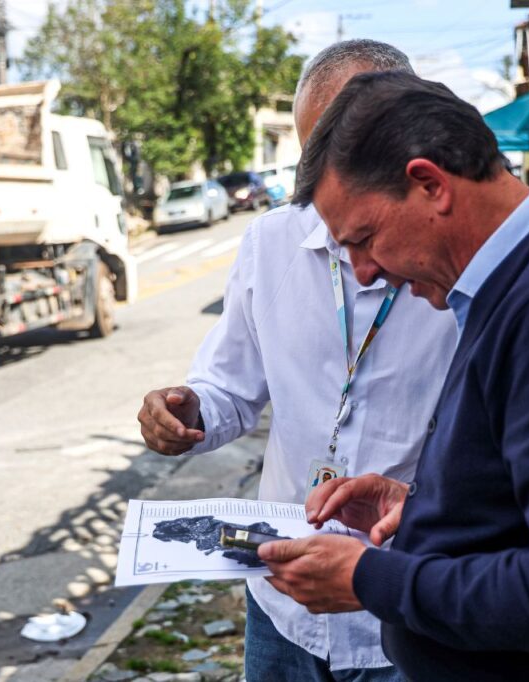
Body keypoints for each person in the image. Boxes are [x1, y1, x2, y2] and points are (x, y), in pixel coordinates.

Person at [257, 71, 529, 681]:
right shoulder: (527, 282)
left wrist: (370, 577)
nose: (363, 273)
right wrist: (430, 508)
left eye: (366, 238)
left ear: (430, 184)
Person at [136, 43, 458, 681]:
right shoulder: (271, 242)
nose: (324, 184)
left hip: (404, 619)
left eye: (346, 152)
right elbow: (228, 386)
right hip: (280, 605)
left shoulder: (461, 259)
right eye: (315, 158)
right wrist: (190, 410)